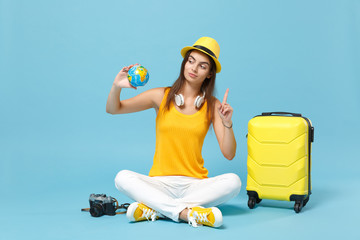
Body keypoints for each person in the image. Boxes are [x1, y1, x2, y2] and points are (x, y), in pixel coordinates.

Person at [106, 37, 241, 228]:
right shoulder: (161, 96)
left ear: (210, 74)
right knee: (122, 178)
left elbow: (229, 154)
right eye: (191, 61)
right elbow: (114, 108)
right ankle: (187, 213)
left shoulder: (213, 106)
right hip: (159, 183)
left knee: (234, 182)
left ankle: (157, 210)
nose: (193, 69)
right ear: (184, 63)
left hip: (195, 185)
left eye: (202, 66)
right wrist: (116, 86)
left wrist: (227, 123)